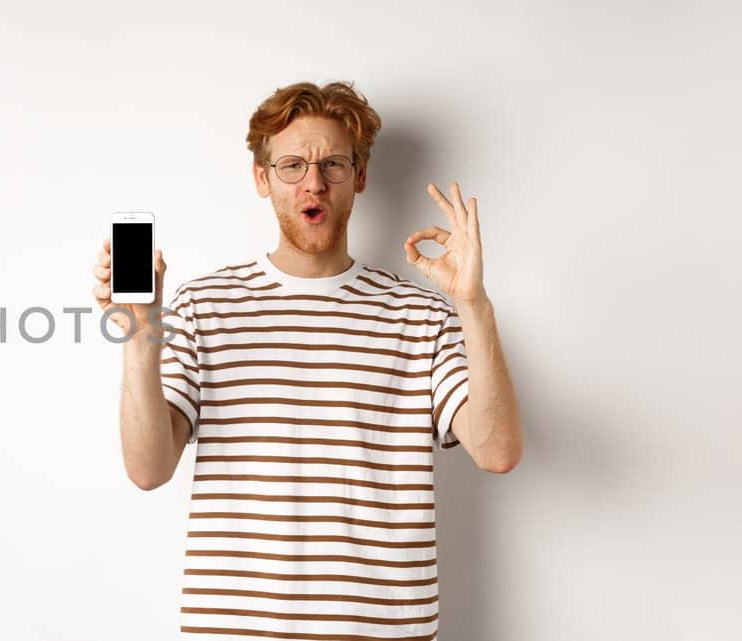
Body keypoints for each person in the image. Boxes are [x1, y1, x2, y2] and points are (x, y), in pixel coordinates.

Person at [89, 81, 523, 639]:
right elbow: (148, 470)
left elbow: (498, 451)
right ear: (262, 178)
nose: (312, 182)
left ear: (360, 176)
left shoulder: (421, 313)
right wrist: (138, 334)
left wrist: (472, 304)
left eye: (333, 164)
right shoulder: (203, 305)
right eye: (291, 164)